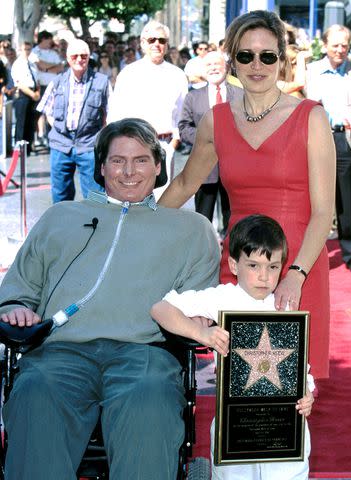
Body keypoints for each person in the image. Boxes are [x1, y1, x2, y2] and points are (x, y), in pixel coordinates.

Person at [0, 117, 220, 479]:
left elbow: (200, 301)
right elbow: (17, 288)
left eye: (141, 160)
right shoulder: (60, 217)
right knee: (36, 392)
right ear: (101, 167)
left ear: (158, 166)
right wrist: (16, 309)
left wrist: (199, 319)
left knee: (150, 400)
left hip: (145, 353)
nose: (129, 172)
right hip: (61, 352)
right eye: (118, 161)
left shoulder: (191, 230)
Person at [159, 10, 336, 379]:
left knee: (292, 389)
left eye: (267, 56)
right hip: (242, 264)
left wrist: (297, 274)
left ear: (282, 61)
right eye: (246, 55)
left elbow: (324, 212)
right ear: (232, 61)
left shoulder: (311, 117)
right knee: (238, 383)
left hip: (297, 263)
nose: (257, 65)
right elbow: (183, 185)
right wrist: (137, 223)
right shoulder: (216, 119)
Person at [151, 214, 314, 480]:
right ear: (234, 265)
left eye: (273, 267)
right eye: (254, 265)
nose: (264, 276)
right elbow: (160, 309)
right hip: (235, 430)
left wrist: (307, 394)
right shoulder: (222, 298)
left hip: (284, 433)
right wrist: (201, 332)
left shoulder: (284, 306)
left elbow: (299, 367)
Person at [305, 24, 351, 273]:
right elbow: (309, 105)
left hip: (346, 141)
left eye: (345, 45)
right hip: (319, 139)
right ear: (325, 45)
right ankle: (313, 254)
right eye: (335, 45)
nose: (340, 50)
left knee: (346, 201)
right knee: (316, 200)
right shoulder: (313, 70)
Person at [107, 20, 188, 199]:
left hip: (165, 146)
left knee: (161, 204)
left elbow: (182, 115)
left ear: (167, 45)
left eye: (162, 40)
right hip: (133, 147)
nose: (157, 44)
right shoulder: (129, 74)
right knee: (133, 200)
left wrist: (174, 142)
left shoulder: (178, 76)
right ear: (143, 43)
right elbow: (114, 116)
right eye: (152, 40)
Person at [36, 39, 111, 203]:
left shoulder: (102, 82)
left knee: (95, 197)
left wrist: (101, 138)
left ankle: (96, 228)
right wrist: (59, 130)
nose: (79, 60)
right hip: (60, 146)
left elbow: (110, 114)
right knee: (60, 196)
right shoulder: (57, 82)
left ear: (89, 57)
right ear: (68, 58)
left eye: (83, 56)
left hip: (89, 145)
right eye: (75, 56)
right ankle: (64, 228)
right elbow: (47, 111)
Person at [178, 50, 241, 234]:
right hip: (203, 167)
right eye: (209, 65)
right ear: (203, 71)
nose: (213, 68)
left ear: (226, 67)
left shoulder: (241, 95)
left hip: (233, 167)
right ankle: (205, 257)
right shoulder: (193, 97)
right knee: (202, 221)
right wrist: (208, 138)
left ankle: (229, 258)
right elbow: (184, 127)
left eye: (217, 64)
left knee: (232, 222)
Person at [30, 30, 65, 146]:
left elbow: (60, 67)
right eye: (49, 39)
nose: (51, 42)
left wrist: (46, 68)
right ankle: (40, 136)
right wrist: (49, 67)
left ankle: (51, 137)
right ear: (43, 39)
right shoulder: (35, 52)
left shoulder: (53, 53)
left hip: (54, 85)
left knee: (52, 112)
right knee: (40, 112)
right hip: (41, 86)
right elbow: (39, 64)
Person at [11, 42, 40, 154]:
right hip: (23, 94)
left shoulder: (32, 64)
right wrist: (32, 94)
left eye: (29, 49)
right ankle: (19, 148)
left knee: (31, 122)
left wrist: (37, 92)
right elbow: (19, 83)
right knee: (21, 122)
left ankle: (29, 147)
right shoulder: (18, 64)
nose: (27, 51)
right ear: (20, 50)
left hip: (33, 93)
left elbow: (36, 80)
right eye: (25, 49)